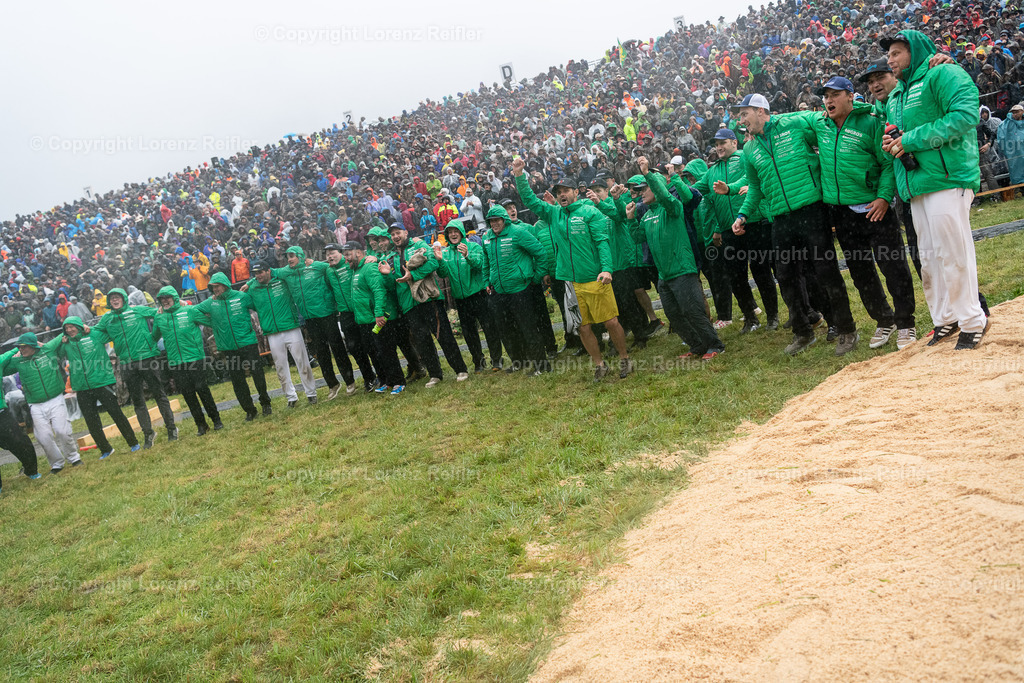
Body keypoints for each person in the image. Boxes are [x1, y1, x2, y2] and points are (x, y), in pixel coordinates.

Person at [881, 30, 987, 350]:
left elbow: (965, 117)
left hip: (948, 177)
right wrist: (893, 144)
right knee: (929, 257)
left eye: (897, 53)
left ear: (916, 50)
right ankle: (945, 318)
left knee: (954, 252)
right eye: (889, 55)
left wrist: (909, 140)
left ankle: (972, 320)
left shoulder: (944, 72)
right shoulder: (897, 95)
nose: (890, 60)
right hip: (916, 184)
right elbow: (900, 135)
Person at [730, 93, 859, 356]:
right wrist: (742, 215)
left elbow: (824, 121)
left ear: (761, 111)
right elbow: (754, 188)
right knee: (786, 277)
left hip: (811, 209)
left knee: (826, 271)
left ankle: (845, 328)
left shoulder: (793, 123)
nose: (741, 120)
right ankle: (803, 332)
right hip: (780, 217)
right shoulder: (750, 150)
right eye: (740, 115)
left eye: (745, 114)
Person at [811, 76, 917, 351]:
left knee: (893, 268)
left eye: (835, 95)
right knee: (861, 273)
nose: (829, 101)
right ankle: (884, 319)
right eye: (825, 96)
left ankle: (906, 323)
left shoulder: (870, 121)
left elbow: (886, 162)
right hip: (843, 214)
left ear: (850, 96)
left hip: (876, 210)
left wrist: (883, 198)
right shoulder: (820, 125)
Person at [512, 159, 633, 380]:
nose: (562, 195)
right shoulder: (554, 214)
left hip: (596, 279)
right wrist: (520, 176)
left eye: (566, 190)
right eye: (558, 192)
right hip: (570, 283)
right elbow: (530, 200)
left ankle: (625, 359)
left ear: (576, 192)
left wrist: (606, 269)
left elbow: (602, 242)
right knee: (583, 327)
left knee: (611, 321)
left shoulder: (590, 212)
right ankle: (599, 364)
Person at [626, 158, 724, 360]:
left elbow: (663, 195)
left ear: (657, 187)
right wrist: (630, 219)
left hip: (682, 269)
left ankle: (715, 345)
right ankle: (696, 346)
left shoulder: (672, 207)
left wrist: (648, 174)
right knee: (674, 315)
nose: (641, 193)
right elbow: (637, 237)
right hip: (664, 274)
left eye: (644, 188)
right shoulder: (647, 215)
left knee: (693, 311)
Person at [698, 128, 780, 333]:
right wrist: (669, 185)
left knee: (761, 271)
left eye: (722, 142)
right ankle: (750, 318)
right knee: (736, 276)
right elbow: (694, 192)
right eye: (716, 144)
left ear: (734, 142)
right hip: (728, 230)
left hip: (753, 223)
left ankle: (772, 316)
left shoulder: (746, 156)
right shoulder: (711, 171)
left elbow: (755, 179)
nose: (718, 147)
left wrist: (732, 187)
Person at [91, 287, 177, 447]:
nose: (115, 300)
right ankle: (148, 433)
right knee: (137, 399)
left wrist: (153, 338)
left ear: (123, 298)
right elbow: (95, 332)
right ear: (109, 302)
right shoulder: (107, 318)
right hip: (126, 362)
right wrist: (87, 331)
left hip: (146, 357)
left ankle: (171, 428)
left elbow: (158, 313)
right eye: (112, 299)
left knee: (159, 393)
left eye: (117, 297)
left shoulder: (137, 310)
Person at [387, 223, 469, 387]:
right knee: (422, 341)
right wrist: (387, 275)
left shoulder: (418, 244)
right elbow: (394, 282)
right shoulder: (391, 256)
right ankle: (435, 374)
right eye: (393, 234)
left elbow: (433, 263)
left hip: (429, 299)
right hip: (409, 304)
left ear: (405, 232)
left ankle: (460, 369)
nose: (396, 237)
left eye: (398, 233)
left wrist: (413, 275)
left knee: (444, 335)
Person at [271, 246, 356, 398]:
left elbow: (336, 264)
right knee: (321, 353)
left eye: (292, 256)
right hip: (309, 319)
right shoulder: (287, 272)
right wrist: (249, 284)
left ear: (301, 256)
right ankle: (333, 384)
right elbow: (269, 272)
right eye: (287, 257)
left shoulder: (316, 266)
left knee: (337, 348)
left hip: (327, 314)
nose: (289, 259)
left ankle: (349, 381)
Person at [191, 272, 273, 420]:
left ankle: (265, 402)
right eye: (212, 287)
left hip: (247, 342)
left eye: (217, 286)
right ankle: (249, 409)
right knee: (237, 380)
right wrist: (212, 323)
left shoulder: (241, 296)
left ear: (225, 284)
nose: (215, 289)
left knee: (257, 373)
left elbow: (258, 305)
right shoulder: (211, 302)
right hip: (228, 347)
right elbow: (193, 312)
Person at [56, 316, 141, 458]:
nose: (70, 330)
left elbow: (109, 330)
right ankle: (106, 449)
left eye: (72, 326)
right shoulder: (66, 343)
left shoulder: (94, 334)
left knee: (116, 414)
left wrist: (91, 328)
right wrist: (61, 340)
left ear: (79, 325)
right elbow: (57, 353)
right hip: (81, 387)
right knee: (91, 421)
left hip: (101, 382)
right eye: (67, 328)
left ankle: (133, 443)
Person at [0, 333, 82, 473]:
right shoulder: (18, 360)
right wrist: (13, 354)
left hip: (55, 398)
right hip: (35, 403)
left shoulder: (48, 349)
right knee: (43, 437)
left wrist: (80, 328)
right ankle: (56, 463)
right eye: (19, 347)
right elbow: (2, 368)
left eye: (24, 346)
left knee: (62, 431)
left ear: (34, 345)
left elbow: (67, 331)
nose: (21, 349)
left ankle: (74, 457)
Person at [433, 219, 504, 373]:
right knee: (469, 333)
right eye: (449, 232)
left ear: (461, 232)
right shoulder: (446, 252)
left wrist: (467, 256)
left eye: (455, 231)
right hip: (461, 299)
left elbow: (480, 265)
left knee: (489, 327)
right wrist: (439, 261)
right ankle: (478, 362)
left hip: (478, 295)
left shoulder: (472, 246)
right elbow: (443, 273)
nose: (453, 234)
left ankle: (497, 359)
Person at [152, 286, 223, 436]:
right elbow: (154, 336)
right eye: (161, 299)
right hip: (175, 362)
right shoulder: (159, 317)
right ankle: (201, 425)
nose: (165, 301)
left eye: (167, 298)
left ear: (175, 298)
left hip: (195, 358)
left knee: (202, 389)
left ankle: (216, 420)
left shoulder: (189, 311)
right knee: (188, 394)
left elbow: (210, 321)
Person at [246, 262, 319, 407]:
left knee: (302, 362)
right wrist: (250, 282)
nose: (258, 276)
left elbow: (287, 269)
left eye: (261, 272)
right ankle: (291, 397)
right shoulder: (253, 288)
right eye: (255, 274)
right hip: (272, 332)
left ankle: (311, 393)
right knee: (280, 367)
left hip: (291, 327)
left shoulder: (282, 280)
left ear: (268, 270)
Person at [345, 242, 405, 395]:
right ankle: (385, 380)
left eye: (348, 255)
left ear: (358, 252)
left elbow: (379, 291)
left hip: (375, 318)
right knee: (374, 353)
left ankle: (398, 381)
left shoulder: (370, 267)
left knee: (386, 351)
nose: (346, 259)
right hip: (363, 320)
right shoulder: (356, 270)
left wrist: (378, 313)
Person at [324, 244, 378, 392]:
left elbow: (367, 260)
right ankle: (369, 378)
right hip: (345, 314)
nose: (330, 256)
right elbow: (330, 288)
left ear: (341, 253)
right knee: (355, 348)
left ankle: (382, 374)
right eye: (327, 254)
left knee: (370, 344)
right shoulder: (328, 270)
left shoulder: (351, 264)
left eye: (333, 253)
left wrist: (374, 257)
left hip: (361, 310)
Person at [0, 346, 42, 493]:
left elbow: (7, 354)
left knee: (19, 440)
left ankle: (31, 470)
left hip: (1, 414)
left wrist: (17, 348)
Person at [997, 103, 1024, 186]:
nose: (1015, 114)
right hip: (1015, 153)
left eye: (1017, 112)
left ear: (1022, 111)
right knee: (1017, 170)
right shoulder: (1005, 124)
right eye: (1013, 112)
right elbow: (1001, 138)